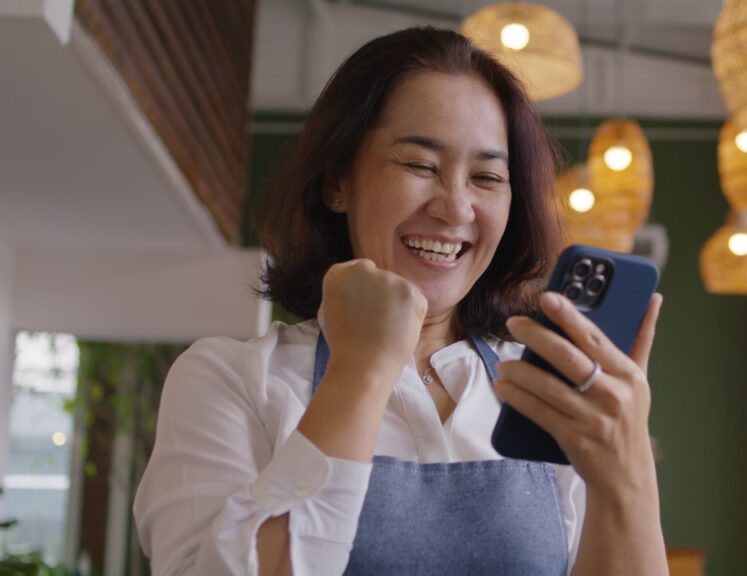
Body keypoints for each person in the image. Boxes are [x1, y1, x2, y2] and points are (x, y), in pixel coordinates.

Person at [134, 27, 667, 576]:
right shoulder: (231, 380)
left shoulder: (545, 397)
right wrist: (360, 370)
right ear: (337, 182)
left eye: (486, 176)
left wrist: (627, 473)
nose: (455, 207)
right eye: (419, 165)